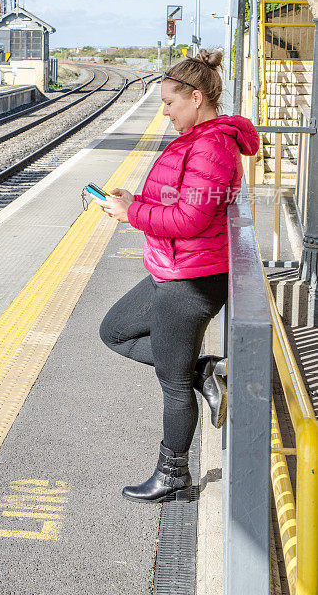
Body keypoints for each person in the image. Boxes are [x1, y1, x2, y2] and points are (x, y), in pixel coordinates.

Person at [98, 49, 259, 504]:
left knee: (172, 382)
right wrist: (135, 199)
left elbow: (190, 218)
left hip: (190, 279)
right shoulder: (194, 139)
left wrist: (133, 214)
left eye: (169, 102)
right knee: (114, 330)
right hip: (171, 269)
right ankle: (205, 370)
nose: (164, 111)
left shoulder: (210, 145)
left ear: (196, 96)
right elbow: (177, 196)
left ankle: (173, 476)